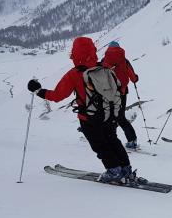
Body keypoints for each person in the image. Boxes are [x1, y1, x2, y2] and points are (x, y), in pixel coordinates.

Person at [27, 36, 133, 183]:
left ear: (75, 53)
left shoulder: (75, 74)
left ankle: (114, 170)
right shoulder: (104, 67)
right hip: (109, 114)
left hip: (89, 118)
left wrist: (38, 91)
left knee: (100, 145)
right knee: (113, 140)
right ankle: (126, 169)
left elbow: (57, 96)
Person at [102, 41, 140, 149]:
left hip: (108, 93)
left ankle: (110, 139)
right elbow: (133, 78)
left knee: (109, 116)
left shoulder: (104, 61)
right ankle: (132, 140)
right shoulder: (124, 60)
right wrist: (135, 78)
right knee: (120, 117)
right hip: (122, 92)